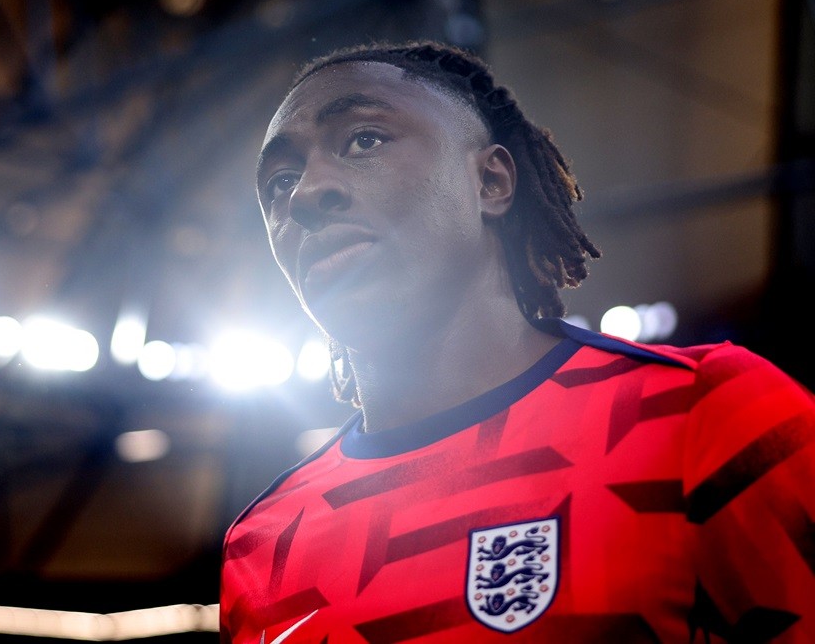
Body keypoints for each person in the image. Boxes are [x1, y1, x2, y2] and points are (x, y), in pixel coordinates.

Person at [218, 40, 815, 643]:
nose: (303, 195)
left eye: (363, 140)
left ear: (492, 181)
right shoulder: (262, 543)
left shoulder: (701, 413)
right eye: (280, 182)